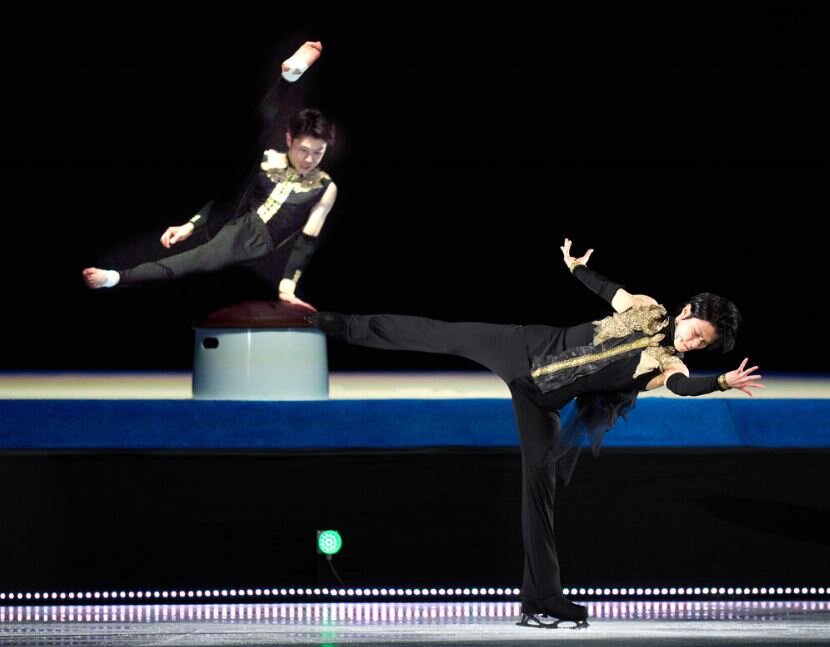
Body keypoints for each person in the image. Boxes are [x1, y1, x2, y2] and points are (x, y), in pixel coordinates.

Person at [307, 238, 763, 629]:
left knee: (540, 493)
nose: (692, 343)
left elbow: (683, 387)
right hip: (522, 347)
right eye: (696, 332)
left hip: (541, 401)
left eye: (703, 344)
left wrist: (721, 382)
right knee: (443, 333)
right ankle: (345, 325)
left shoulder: (669, 365)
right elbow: (609, 289)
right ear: (686, 312)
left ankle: (541, 599)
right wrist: (577, 267)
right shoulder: (646, 308)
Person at [82, 41, 337, 310]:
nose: (309, 160)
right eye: (303, 150)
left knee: (196, 259)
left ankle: (116, 277)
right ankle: (288, 77)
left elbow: (307, 240)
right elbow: (227, 199)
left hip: (254, 239)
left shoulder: (325, 187)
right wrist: (189, 226)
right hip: (231, 214)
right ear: (289, 139)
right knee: (252, 142)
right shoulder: (269, 159)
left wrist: (287, 287)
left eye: (318, 153)